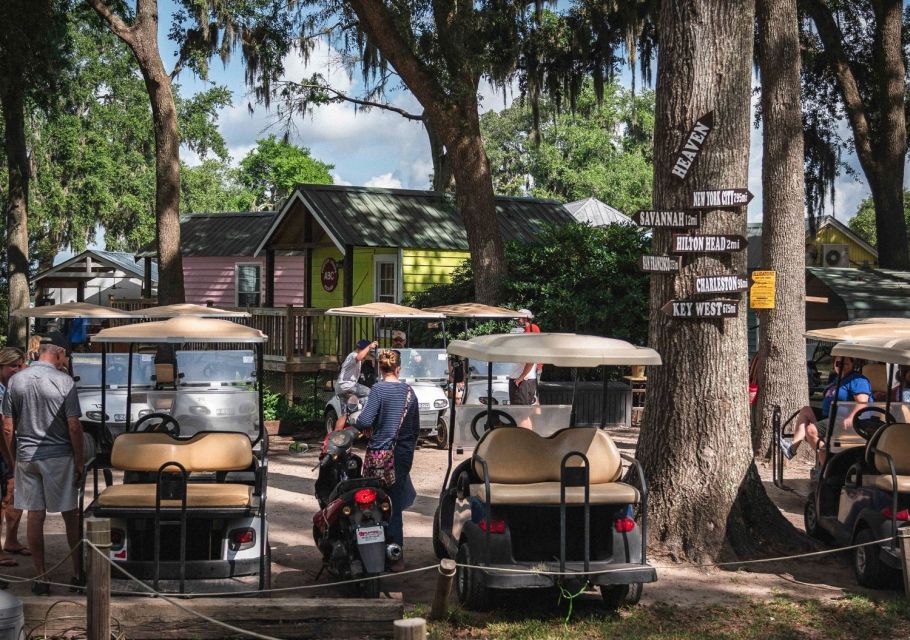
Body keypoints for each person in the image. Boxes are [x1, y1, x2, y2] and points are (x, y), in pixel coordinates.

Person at [1, 343, 84, 595]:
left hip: (27, 456)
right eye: (64, 358)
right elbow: (73, 426)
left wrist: (14, 459)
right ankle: (77, 573)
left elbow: (7, 426)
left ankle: (41, 576)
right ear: (58, 354)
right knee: (70, 514)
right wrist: (79, 460)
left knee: (35, 515)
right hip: (59, 456)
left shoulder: (16, 381)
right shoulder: (64, 381)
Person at [351, 349, 419, 572]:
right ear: (398, 368)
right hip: (402, 455)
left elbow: (364, 421)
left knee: (371, 501)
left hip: (379, 455)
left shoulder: (378, 390)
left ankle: (368, 549)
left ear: (382, 368)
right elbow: (415, 429)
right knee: (395, 502)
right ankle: (396, 553)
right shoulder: (410, 393)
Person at [779, 356, 871, 466]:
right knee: (806, 410)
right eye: (838, 364)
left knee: (811, 431)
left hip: (846, 420)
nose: (841, 366)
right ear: (834, 365)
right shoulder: (836, 379)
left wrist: (851, 417)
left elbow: (862, 402)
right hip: (830, 416)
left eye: (845, 364)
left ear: (852, 364)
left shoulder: (857, 380)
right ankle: (792, 448)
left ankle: (827, 467)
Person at [0, 348, 26, 568]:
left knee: (13, 494)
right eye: (12, 366)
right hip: (4, 451)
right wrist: (10, 460)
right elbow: (4, 430)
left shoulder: (9, 388)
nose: (17, 370)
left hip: (10, 449)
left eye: (20, 366)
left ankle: (11, 540)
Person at [334, 339, 378, 430]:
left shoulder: (353, 357)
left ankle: (335, 438)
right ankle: (364, 419)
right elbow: (359, 357)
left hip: (340, 388)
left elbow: (365, 358)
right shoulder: (353, 355)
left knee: (343, 414)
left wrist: (373, 358)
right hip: (347, 385)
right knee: (371, 392)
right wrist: (369, 346)